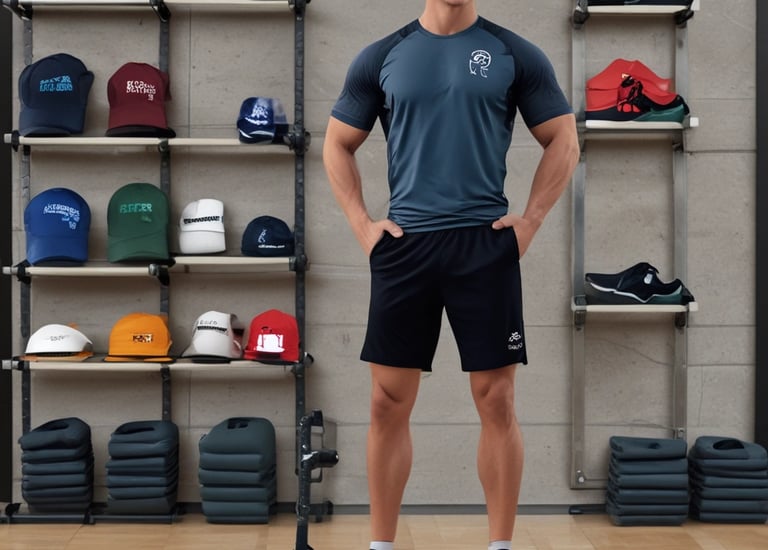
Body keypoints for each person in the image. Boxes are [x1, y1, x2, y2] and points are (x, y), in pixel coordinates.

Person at [322, 1, 579, 549]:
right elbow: (337, 143)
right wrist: (363, 226)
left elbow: (563, 138)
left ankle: (500, 545)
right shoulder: (382, 56)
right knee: (386, 402)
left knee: (497, 401)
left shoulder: (515, 54)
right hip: (406, 246)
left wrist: (530, 222)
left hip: (483, 247)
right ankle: (382, 545)